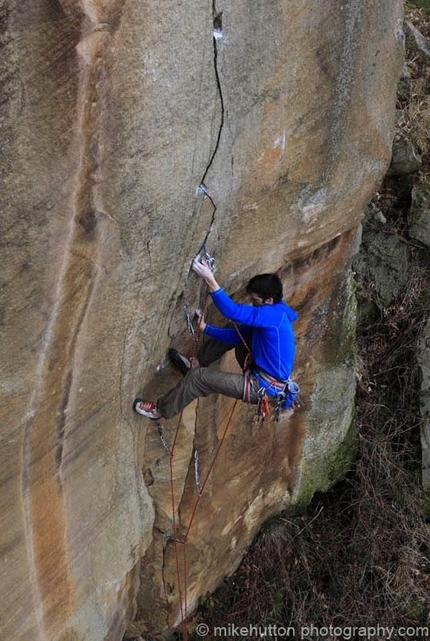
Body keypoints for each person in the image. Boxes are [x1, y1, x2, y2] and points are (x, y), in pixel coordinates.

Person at [133, 258, 297, 420]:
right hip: (262, 374)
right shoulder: (275, 311)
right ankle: (195, 363)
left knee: (197, 379)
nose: (253, 305)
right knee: (239, 329)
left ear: (269, 300)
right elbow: (236, 335)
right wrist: (206, 328)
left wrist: (210, 279)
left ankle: (160, 410)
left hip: (261, 387)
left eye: (255, 301)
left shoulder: (274, 316)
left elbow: (233, 311)